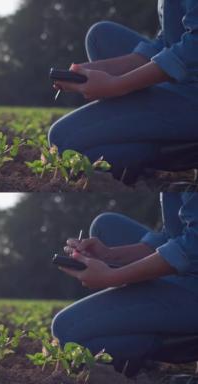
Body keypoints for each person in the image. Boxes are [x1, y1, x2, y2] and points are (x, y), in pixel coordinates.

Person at [52, 192, 198, 377]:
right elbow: (173, 235)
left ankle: (178, 345)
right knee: (105, 226)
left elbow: (193, 246)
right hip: (185, 270)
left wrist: (112, 276)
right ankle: (150, 324)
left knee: (68, 331)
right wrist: (108, 255)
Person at [48, 1, 198, 182]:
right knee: (101, 36)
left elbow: (193, 49)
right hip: (183, 81)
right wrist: (91, 72)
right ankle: (160, 136)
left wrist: (116, 85)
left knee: (63, 141)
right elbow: (166, 44)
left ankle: (178, 149)